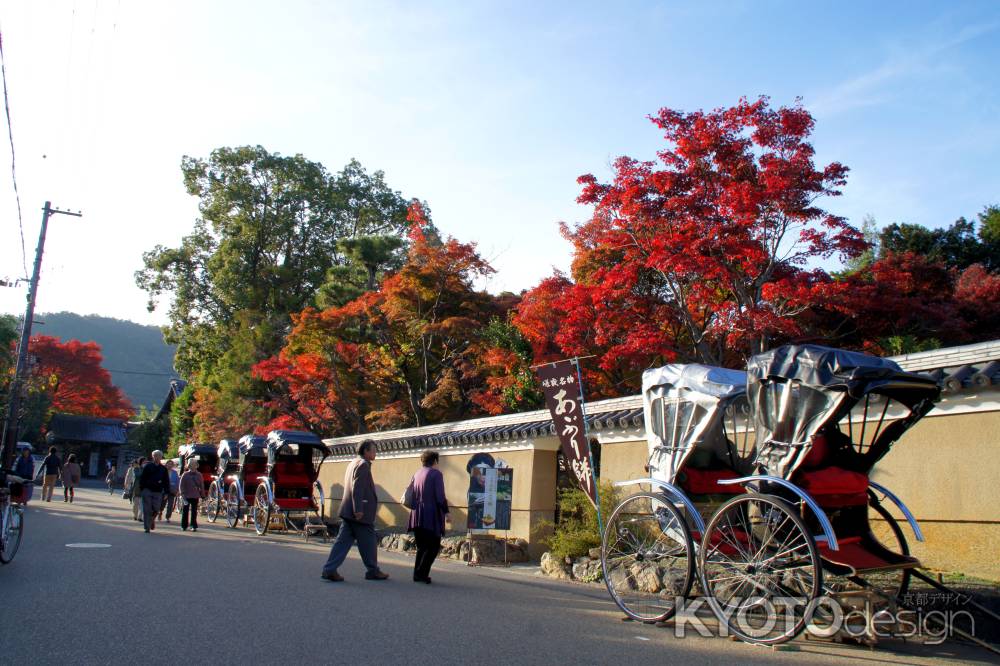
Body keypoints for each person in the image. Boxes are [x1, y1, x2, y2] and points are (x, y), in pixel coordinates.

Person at [321, 440, 389, 582]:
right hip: (359, 512)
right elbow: (358, 488)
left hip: (348, 511)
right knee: (369, 542)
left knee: (342, 542)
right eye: (373, 450)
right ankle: (373, 570)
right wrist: (358, 509)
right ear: (366, 451)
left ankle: (329, 569)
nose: (375, 452)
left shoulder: (353, 462)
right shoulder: (363, 465)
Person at [407, 450, 450, 584]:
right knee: (433, 547)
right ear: (435, 461)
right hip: (430, 515)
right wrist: (447, 512)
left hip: (416, 513)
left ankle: (417, 573)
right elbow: (440, 496)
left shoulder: (417, 473)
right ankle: (422, 573)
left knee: (422, 546)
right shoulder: (436, 474)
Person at [138, 450, 170, 533]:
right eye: (155, 455)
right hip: (147, 490)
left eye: (159, 456)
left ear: (161, 457)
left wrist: (167, 492)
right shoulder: (148, 466)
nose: (157, 457)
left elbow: (166, 481)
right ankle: (147, 527)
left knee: (156, 508)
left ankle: (152, 519)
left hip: (158, 491)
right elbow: (142, 478)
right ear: (153, 457)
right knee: (147, 509)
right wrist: (142, 489)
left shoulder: (163, 469)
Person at [179, 459, 205, 532]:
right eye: (191, 464)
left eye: (194, 464)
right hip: (186, 495)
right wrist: (182, 493)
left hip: (195, 495)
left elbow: (201, 485)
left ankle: (193, 525)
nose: (193, 466)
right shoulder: (185, 474)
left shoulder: (199, 475)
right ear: (189, 466)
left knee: (194, 511)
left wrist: (202, 494)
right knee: (185, 511)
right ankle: (184, 525)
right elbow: (181, 485)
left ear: (196, 466)